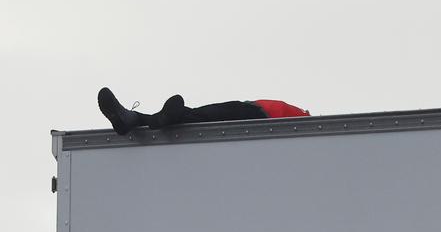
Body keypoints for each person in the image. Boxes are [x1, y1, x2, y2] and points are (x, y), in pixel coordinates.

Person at [97, 87, 309, 136]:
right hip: (256, 113)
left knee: (204, 116)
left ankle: (144, 118)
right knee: (200, 118)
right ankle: (134, 119)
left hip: (256, 113)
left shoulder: (310, 127)